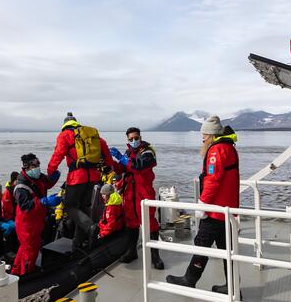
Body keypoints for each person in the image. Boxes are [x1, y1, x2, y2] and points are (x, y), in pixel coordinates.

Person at [166, 117, 239, 292]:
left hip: (215, 211)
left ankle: (189, 279)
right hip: (227, 210)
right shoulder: (229, 148)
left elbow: (213, 180)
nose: (203, 139)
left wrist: (203, 204)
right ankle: (233, 287)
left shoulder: (216, 151)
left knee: (202, 243)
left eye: (204, 135)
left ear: (212, 135)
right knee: (226, 249)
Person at [47, 112, 116, 250]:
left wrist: (50, 172)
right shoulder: (93, 137)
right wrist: (110, 168)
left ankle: (91, 227)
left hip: (77, 177)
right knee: (84, 208)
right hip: (94, 177)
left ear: (65, 125)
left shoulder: (65, 135)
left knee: (70, 207)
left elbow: (58, 154)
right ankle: (78, 242)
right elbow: (108, 158)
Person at [110, 127, 164, 269]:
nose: (134, 141)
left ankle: (155, 256)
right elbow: (122, 169)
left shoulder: (148, 152)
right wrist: (110, 161)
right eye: (131, 139)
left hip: (144, 194)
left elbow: (138, 167)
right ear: (127, 140)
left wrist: (121, 158)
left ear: (140, 137)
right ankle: (131, 251)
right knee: (131, 223)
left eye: (136, 138)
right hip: (130, 194)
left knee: (150, 224)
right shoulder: (129, 153)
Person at [12, 153, 61, 275]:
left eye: (38, 164)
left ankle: (16, 271)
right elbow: (25, 206)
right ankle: (26, 274)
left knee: (25, 247)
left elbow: (47, 183)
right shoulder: (21, 186)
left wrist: (55, 177)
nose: (38, 167)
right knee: (31, 250)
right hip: (26, 223)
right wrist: (44, 201)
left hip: (36, 220)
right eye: (35, 165)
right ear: (27, 167)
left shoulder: (38, 177)